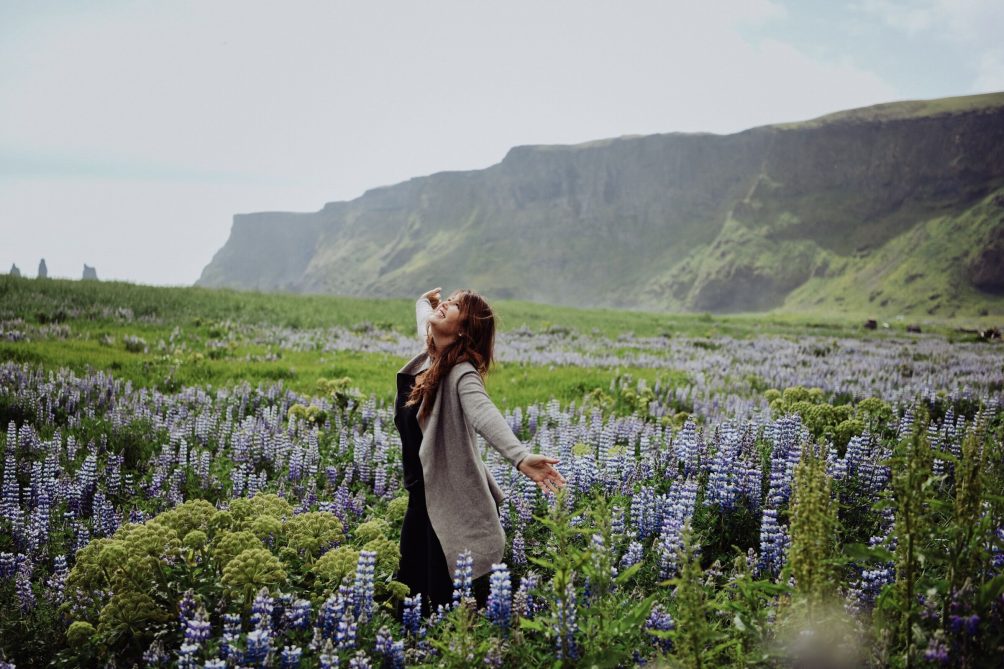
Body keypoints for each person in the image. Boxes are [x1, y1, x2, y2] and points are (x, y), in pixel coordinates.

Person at [393, 286, 566, 618]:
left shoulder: (461, 373)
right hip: (420, 499)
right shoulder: (432, 356)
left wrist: (520, 457)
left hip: (444, 499)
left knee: (440, 597)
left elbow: (485, 414)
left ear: (462, 330)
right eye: (447, 300)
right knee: (410, 589)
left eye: (455, 306)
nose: (444, 305)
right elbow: (424, 323)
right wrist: (423, 303)